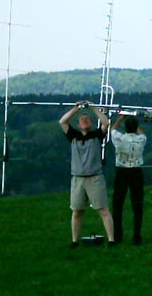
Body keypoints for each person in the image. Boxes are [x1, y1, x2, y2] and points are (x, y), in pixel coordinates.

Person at [59, 101, 115, 248]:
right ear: (78, 124)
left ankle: (111, 240)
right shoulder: (73, 136)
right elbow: (63, 121)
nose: (84, 121)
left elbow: (105, 123)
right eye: (82, 120)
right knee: (77, 211)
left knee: (103, 209)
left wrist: (93, 108)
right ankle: (74, 240)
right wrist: (76, 109)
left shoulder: (96, 135)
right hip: (77, 179)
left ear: (91, 122)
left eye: (87, 119)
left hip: (95, 178)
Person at [111, 114, 147, 245]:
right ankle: (137, 236)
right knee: (137, 204)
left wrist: (120, 117)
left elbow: (113, 129)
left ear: (125, 128)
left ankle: (117, 235)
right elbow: (142, 134)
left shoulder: (119, 139)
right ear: (136, 127)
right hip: (136, 172)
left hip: (122, 172)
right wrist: (137, 125)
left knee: (117, 204)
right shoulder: (141, 140)